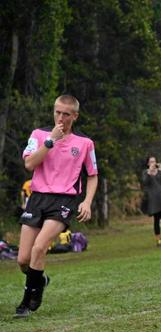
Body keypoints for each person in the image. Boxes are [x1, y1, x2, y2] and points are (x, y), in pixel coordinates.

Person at [15, 95, 98, 318]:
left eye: (66, 114)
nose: (60, 117)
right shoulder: (39, 134)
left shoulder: (84, 143)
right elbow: (30, 164)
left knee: (39, 248)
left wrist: (87, 202)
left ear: (75, 116)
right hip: (38, 197)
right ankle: (39, 279)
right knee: (23, 259)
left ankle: (25, 303)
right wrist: (50, 141)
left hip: (64, 200)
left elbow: (92, 176)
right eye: (57, 112)